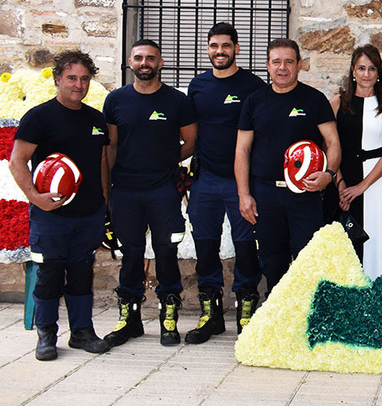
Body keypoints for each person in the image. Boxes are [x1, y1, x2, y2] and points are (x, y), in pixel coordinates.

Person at [9, 51, 111, 360]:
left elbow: (103, 163)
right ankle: (47, 335)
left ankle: (81, 332)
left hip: (89, 214)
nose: (78, 85)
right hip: (52, 216)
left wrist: (105, 203)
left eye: (84, 78)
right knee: (50, 274)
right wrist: (36, 198)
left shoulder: (96, 119)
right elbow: (18, 162)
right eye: (71, 78)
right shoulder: (39, 117)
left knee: (81, 274)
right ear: (58, 80)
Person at [102, 39, 198, 348]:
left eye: (151, 58)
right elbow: (111, 147)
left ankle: (168, 317)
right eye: (139, 57)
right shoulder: (115, 100)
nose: (145, 63)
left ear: (160, 62)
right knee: (130, 253)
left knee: (166, 251)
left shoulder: (177, 101)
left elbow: (190, 142)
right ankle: (129, 319)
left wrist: (166, 160)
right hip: (126, 191)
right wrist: (108, 190)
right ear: (130, 62)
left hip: (163, 190)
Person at [235, 39, 340, 293]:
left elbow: (333, 141)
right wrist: (244, 194)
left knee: (308, 262)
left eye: (289, 62)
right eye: (277, 62)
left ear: (299, 65)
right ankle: (278, 325)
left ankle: (307, 324)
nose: (283, 67)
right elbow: (242, 149)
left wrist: (329, 174)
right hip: (265, 194)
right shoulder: (254, 101)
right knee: (273, 265)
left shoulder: (314, 100)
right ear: (267, 65)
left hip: (305, 195)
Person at [185, 23, 267, 343]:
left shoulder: (253, 86)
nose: (220, 52)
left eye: (226, 46)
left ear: (236, 48)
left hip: (240, 183)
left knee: (246, 244)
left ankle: (246, 310)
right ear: (208, 49)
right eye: (214, 46)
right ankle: (211, 313)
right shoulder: (198, 85)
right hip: (205, 179)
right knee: (205, 244)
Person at [329, 45, 382, 279]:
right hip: (343, 178)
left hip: (376, 182)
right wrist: (340, 184)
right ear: (352, 71)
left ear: (379, 73)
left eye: (371, 68)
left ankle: (379, 300)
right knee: (344, 244)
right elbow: (330, 147)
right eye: (361, 68)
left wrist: (362, 186)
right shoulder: (337, 102)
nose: (366, 74)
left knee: (377, 239)